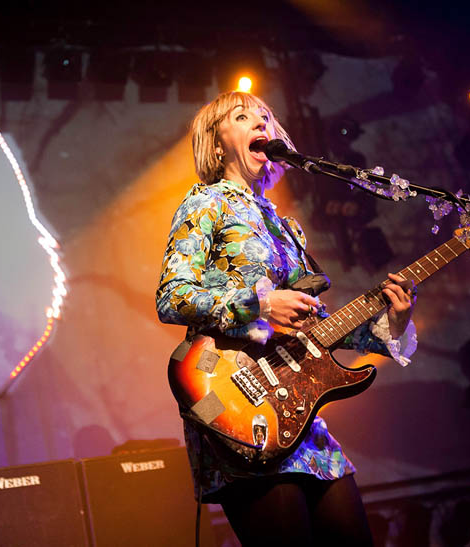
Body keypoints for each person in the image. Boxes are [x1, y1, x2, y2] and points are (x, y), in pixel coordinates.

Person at [155, 91, 417, 546]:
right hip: (237, 406)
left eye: (266, 117)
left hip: (302, 420)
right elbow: (172, 297)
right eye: (243, 117)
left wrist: (391, 324)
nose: (261, 124)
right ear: (217, 145)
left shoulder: (285, 226)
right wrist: (260, 305)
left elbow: (317, 324)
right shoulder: (205, 204)